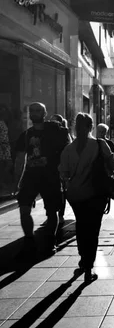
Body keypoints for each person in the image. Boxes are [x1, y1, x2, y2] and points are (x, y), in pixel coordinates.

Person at [58, 113, 114, 282]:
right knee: (93, 230)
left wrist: (70, 184)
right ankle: (89, 266)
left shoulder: (68, 149)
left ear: (75, 128)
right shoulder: (99, 144)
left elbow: (63, 172)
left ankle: (84, 260)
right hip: (96, 194)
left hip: (76, 195)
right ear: (91, 127)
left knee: (81, 228)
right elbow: (112, 166)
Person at [14, 102, 70, 257]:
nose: (34, 113)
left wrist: (65, 173)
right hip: (31, 177)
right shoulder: (26, 135)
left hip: (50, 176)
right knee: (24, 209)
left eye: (38, 110)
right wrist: (17, 181)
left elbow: (67, 149)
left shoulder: (55, 130)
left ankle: (50, 241)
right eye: (32, 110)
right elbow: (20, 159)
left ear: (44, 113)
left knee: (52, 211)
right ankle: (29, 241)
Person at [0, 105, 13, 196]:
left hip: (5, 145)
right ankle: (2, 182)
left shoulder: (3, 122)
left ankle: (3, 182)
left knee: (6, 164)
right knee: (5, 164)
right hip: (3, 146)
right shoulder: (1, 123)